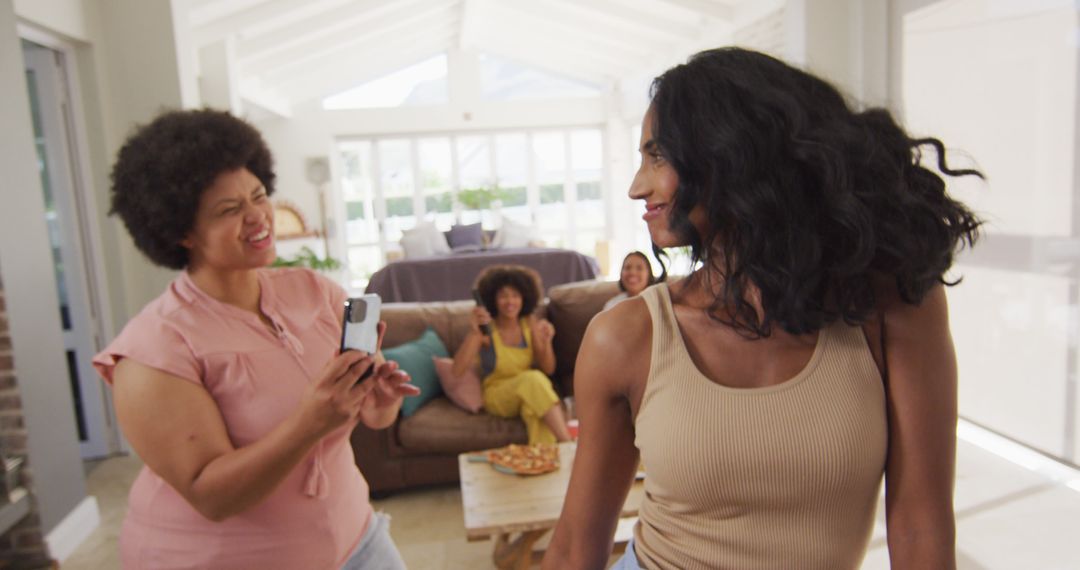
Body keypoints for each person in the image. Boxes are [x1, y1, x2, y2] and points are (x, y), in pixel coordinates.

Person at [544, 47, 982, 570]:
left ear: (732, 155)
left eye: (657, 156)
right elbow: (576, 547)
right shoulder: (624, 337)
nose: (638, 186)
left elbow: (920, 523)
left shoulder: (892, 307)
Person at [92, 109, 419, 569]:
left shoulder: (316, 292)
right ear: (180, 231)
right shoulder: (154, 350)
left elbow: (374, 417)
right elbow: (212, 497)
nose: (258, 217)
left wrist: (379, 400)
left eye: (258, 196)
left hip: (356, 542)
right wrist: (310, 423)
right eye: (229, 210)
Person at [452, 265, 572, 444]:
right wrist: (473, 332)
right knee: (533, 379)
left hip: (529, 392)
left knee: (536, 412)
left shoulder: (529, 323)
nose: (510, 302)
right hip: (497, 396)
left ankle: (542, 464)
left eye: (515, 295)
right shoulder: (486, 330)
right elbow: (457, 371)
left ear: (524, 298)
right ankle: (568, 444)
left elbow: (548, 368)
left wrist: (546, 342)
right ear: (493, 299)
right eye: (503, 296)